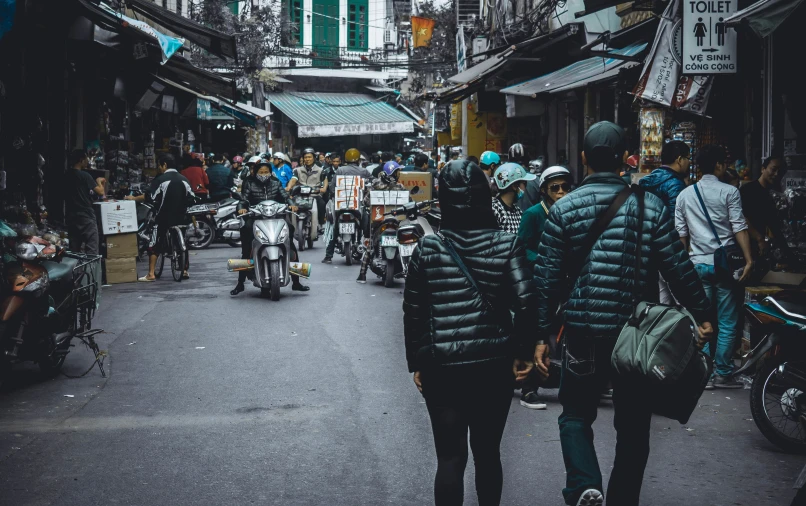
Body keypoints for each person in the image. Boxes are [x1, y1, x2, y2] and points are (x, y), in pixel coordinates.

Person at [534, 121, 713, 506]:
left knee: (575, 416)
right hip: (635, 336)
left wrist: (539, 336)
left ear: (583, 159)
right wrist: (703, 313)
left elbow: (546, 281)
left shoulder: (563, 209)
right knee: (633, 427)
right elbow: (678, 268)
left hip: (582, 331)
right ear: (623, 160)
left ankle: (584, 485)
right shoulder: (650, 206)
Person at [403, 159, 540, 506]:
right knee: (487, 454)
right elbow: (527, 303)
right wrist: (523, 354)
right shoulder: (506, 245)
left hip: (442, 370)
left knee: (450, 458)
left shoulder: (427, 248)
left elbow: (414, 312)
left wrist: (418, 362)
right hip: (493, 368)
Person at [675, 144, 753, 389]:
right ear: (719, 165)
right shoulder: (729, 192)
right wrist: (749, 259)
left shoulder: (684, 195)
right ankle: (723, 372)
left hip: (697, 265)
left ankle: (704, 374)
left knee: (701, 320)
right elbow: (739, 227)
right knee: (728, 320)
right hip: (725, 267)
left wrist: (683, 264)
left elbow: (681, 236)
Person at [515, 165, 572, 410]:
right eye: (555, 188)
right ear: (545, 191)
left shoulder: (570, 213)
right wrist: (543, 259)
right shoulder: (533, 215)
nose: (561, 192)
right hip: (538, 283)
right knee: (535, 332)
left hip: (564, 282)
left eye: (564, 187)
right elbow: (520, 247)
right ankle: (528, 388)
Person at [231, 160, 309, 295]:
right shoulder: (249, 183)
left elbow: (285, 196)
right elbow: (243, 200)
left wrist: (291, 204)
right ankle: (240, 283)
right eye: (261, 172)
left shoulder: (275, 182)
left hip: (276, 218)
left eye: (266, 172)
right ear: (255, 172)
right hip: (255, 218)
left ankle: (296, 282)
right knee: (246, 244)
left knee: (290, 239)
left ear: (270, 172)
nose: (263, 174)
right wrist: (241, 209)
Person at [640, 140, 691, 304]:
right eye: (688, 158)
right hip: (669, 248)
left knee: (662, 301)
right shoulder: (676, 185)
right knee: (681, 301)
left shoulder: (646, 181)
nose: (689, 163)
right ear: (679, 159)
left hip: (648, 247)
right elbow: (678, 220)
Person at [130, 153, 194, 282]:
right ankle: (185, 270)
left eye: (159, 165)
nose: (159, 168)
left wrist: (135, 199)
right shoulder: (184, 179)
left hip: (164, 217)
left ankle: (151, 274)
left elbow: (151, 197)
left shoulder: (161, 179)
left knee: (155, 242)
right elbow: (192, 197)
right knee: (183, 243)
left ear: (164, 165)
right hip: (182, 217)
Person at [739, 156, 790, 259]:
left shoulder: (774, 194)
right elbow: (741, 218)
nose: (776, 174)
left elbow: (773, 225)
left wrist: (787, 251)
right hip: (745, 245)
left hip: (760, 246)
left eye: (780, 172)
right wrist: (759, 239)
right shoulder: (747, 190)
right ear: (763, 169)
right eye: (773, 169)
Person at [65, 149, 105, 254]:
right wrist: (99, 182)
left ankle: (75, 270)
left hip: (71, 216)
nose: (87, 161)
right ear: (81, 160)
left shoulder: (67, 175)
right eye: (86, 158)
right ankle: (90, 270)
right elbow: (100, 192)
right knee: (92, 248)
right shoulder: (85, 176)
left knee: (74, 249)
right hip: (86, 215)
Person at [288, 148, 327, 227]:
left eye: (309, 157)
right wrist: (289, 187)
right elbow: (293, 180)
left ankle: (320, 223)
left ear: (314, 158)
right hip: (300, 194)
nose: (307, 159)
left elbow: (325, 181)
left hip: (314, 194)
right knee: (289, 206)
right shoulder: (297, 170)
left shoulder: (320, 170)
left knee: (322, 204)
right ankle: (291, 226)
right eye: (305, 157)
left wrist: (324, 188)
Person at [491, 163, 535, 234]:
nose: (525, 188)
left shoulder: (517, 211)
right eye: (524, 183)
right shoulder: (495, 210)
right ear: (514, 186)